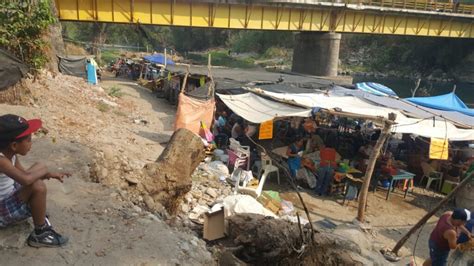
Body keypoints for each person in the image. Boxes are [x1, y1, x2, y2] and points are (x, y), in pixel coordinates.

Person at [0, 114, 69, 247]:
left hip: (9, 196)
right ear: (14, 145)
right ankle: (40, 233)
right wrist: (44, 169)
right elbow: (26, 180)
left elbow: (24, 174)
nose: (31, 144)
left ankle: (37, 209)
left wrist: (49, 174)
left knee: (37, 168)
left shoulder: (10, 154)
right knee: (37, 185)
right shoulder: (2, 161)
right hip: (1, 211)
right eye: (29, 140)